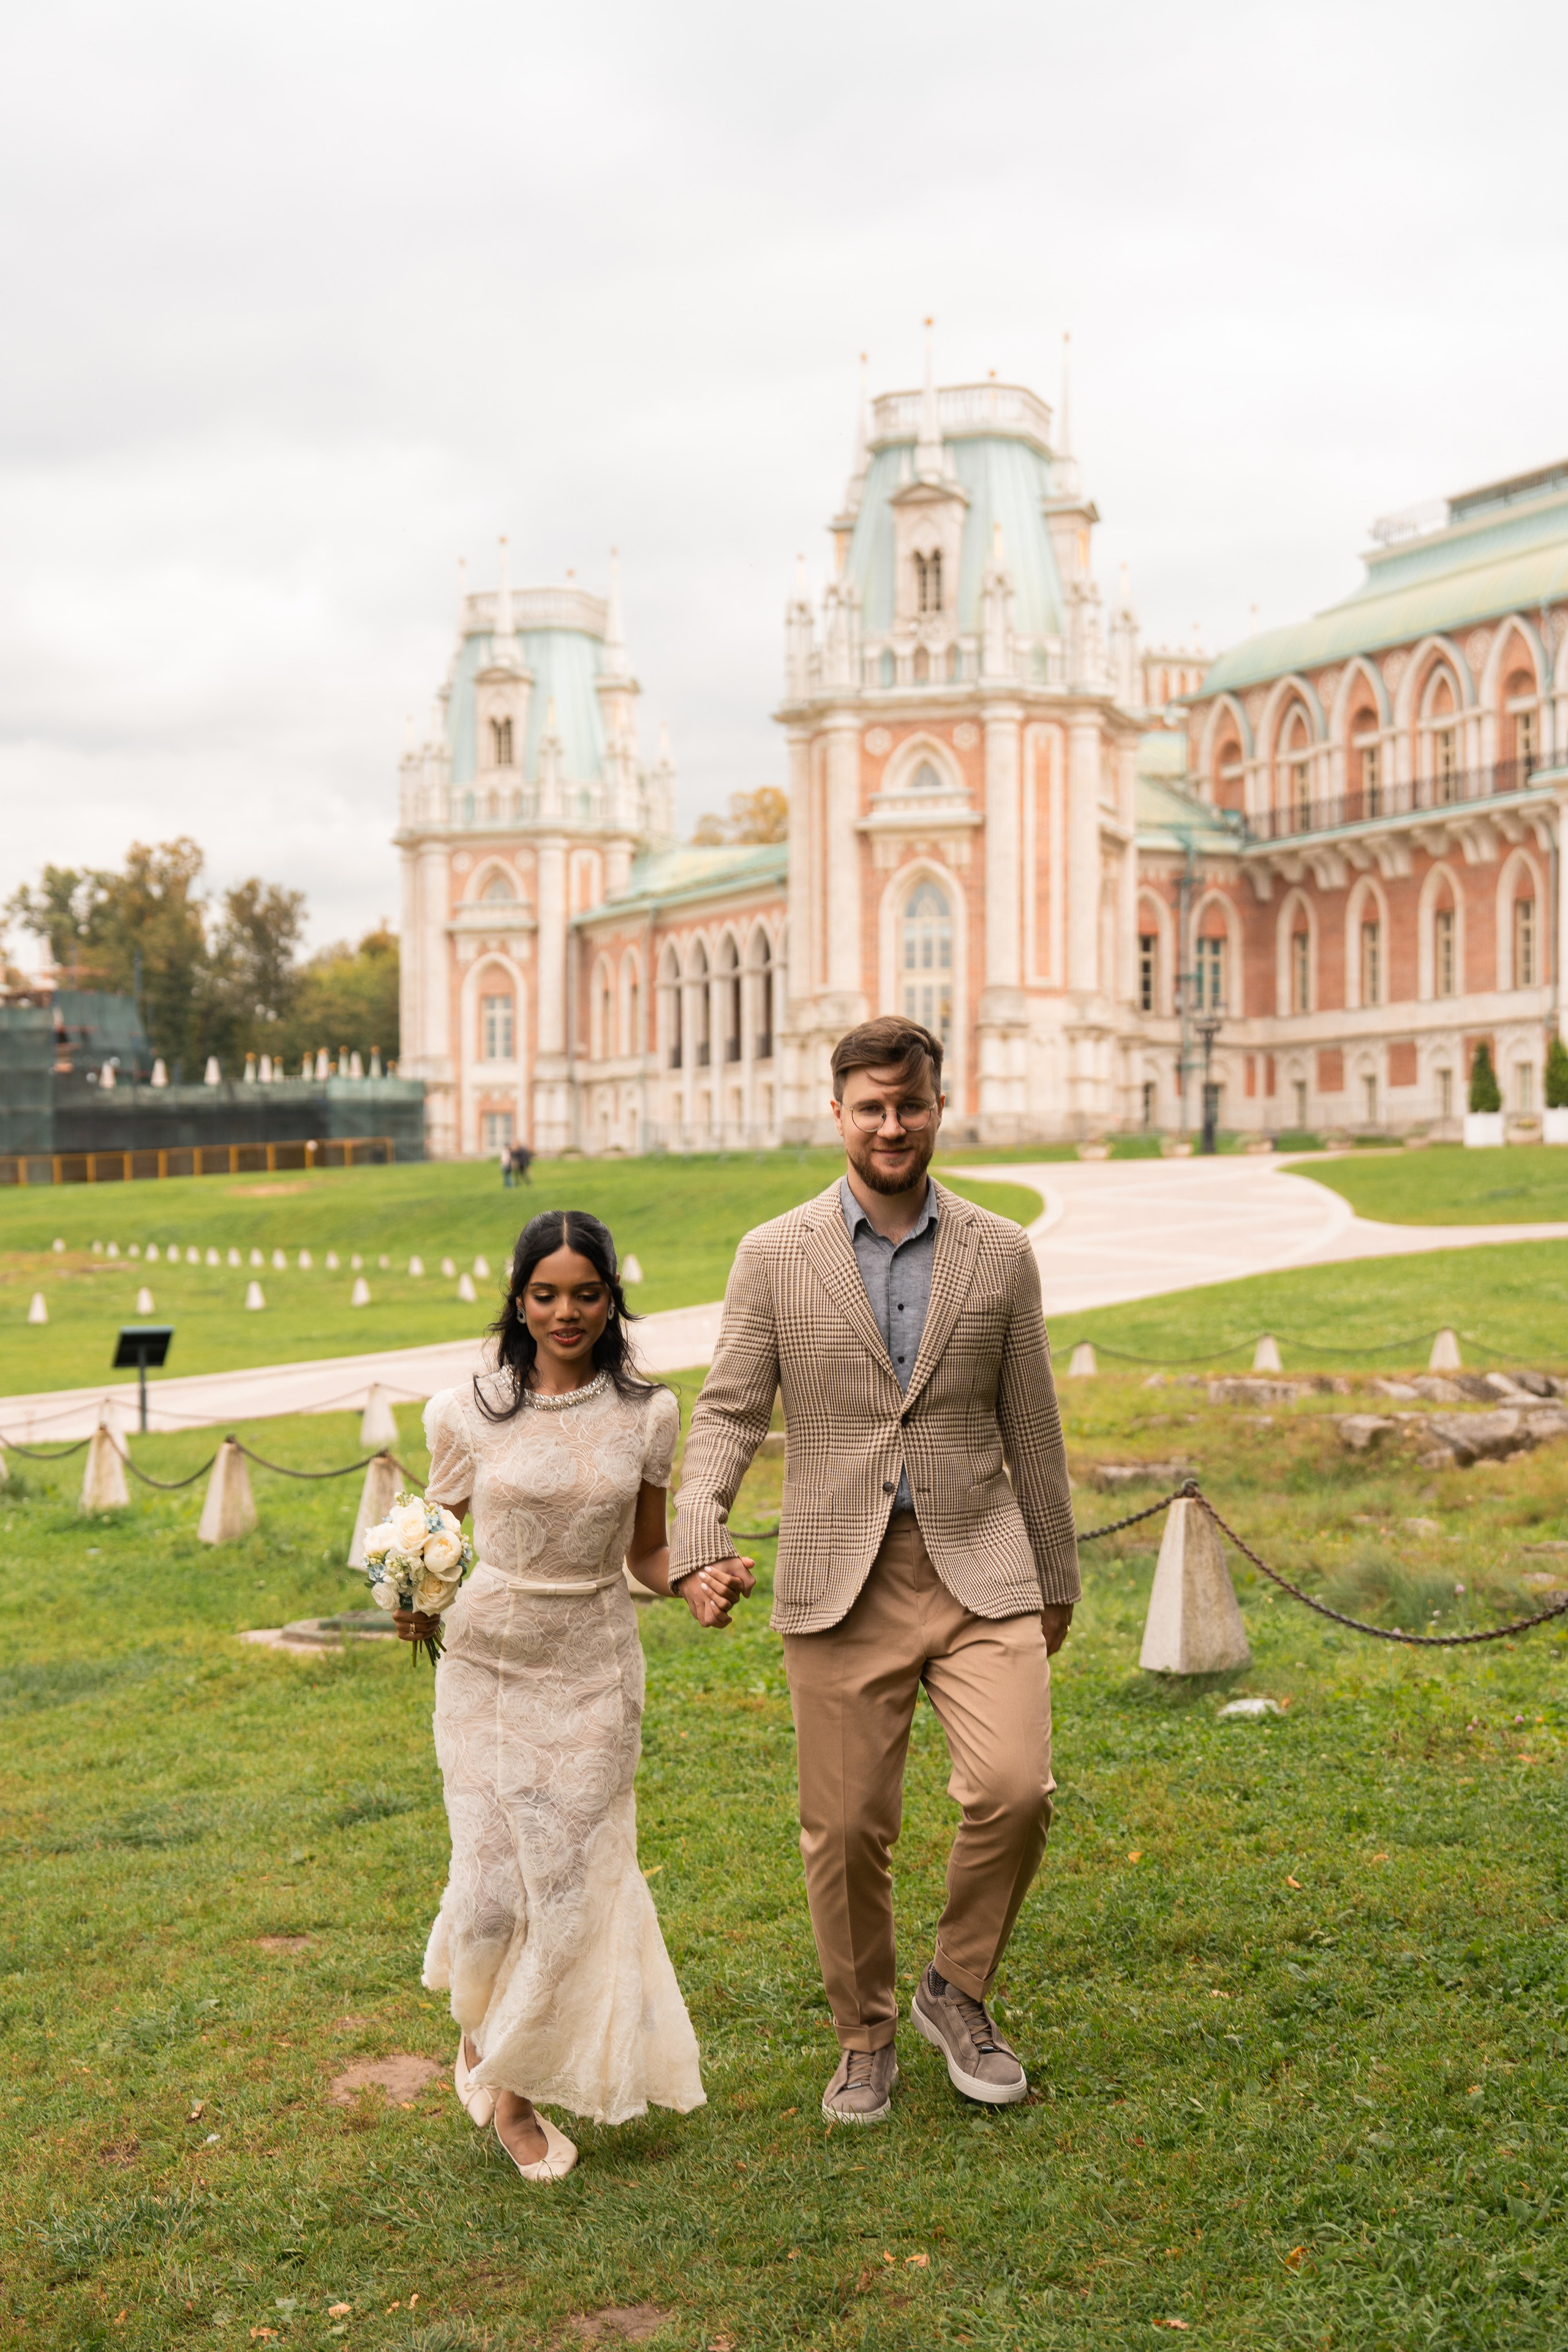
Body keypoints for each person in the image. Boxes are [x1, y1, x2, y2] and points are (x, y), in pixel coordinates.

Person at [670, 1016, 1079, 2124]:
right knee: (846, 1829)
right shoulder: (774, 1254)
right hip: (836, 1574)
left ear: (940, 1106)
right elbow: (727, 1413)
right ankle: (864, 2036)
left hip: (981, 1564)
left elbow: (1031, 1424)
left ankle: (958, 1987)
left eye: (911, 1105)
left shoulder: (1001, 1249)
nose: (892, 1125)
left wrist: (1058, 1573)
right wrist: (697, 1528)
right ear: (838, 1112)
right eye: (871, 1108)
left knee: (1015, 1790)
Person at [394, 1208, 746, 2180]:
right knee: (486, 1896)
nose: (566, 1311)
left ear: (610, 1300)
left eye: (585, 1294)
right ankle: (481, 2024)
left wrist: (696, 1581)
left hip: (593, 1667)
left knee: (564, 1889)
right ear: (518, 1301)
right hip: (486, 1672)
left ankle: (513, 2093)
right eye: (546, 1294)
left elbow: (646, 1549)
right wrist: (414, 1602)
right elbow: (439, 1539)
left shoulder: (648, 1414)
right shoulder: (463, 1412)